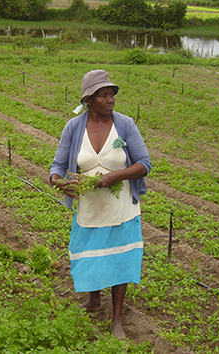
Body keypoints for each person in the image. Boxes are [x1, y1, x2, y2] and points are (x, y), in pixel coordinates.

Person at [50, 70, 152, 340]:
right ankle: (94, 301)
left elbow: (144, 164)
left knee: (119, 258)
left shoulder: (125, 125)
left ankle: (117, 319)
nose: (110, 100)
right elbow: (58, 165)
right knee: (90, 254)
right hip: (89, 206)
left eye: (112, 95)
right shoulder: (74, 127)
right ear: (88, 99)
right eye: (103, 95)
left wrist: (114, 176)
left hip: (121, 208)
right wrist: (57, 181)